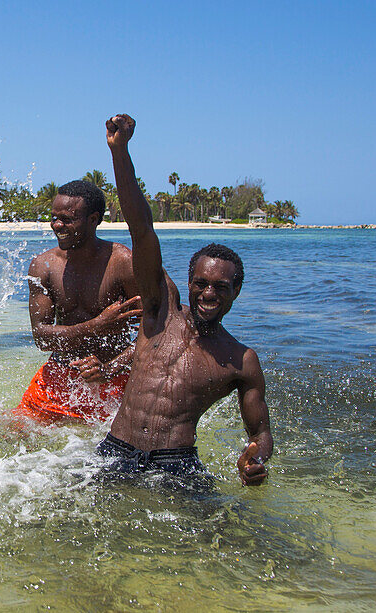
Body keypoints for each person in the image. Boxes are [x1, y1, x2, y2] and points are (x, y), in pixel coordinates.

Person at [102, 114, 272, 485]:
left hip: (176, 465)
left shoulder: (242, 361)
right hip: (116, 449)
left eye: (221, 288)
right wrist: (120, 152)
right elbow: (141, 228)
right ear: (190, 282)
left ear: (236, 292)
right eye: (201, 283)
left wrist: (254, 460)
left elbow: (260, 434)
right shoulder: (159, 310)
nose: (208, 293)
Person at [14, 180, 141, 425]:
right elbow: (41, 337)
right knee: (8, 435)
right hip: (58, 377)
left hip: (112, 378)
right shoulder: (44, 266)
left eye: (67, 219)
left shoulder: (123, 262)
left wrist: (111, 368)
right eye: (53, 218)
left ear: (93, 220)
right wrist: (97, 324)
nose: (57, 225)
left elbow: (155, 330)